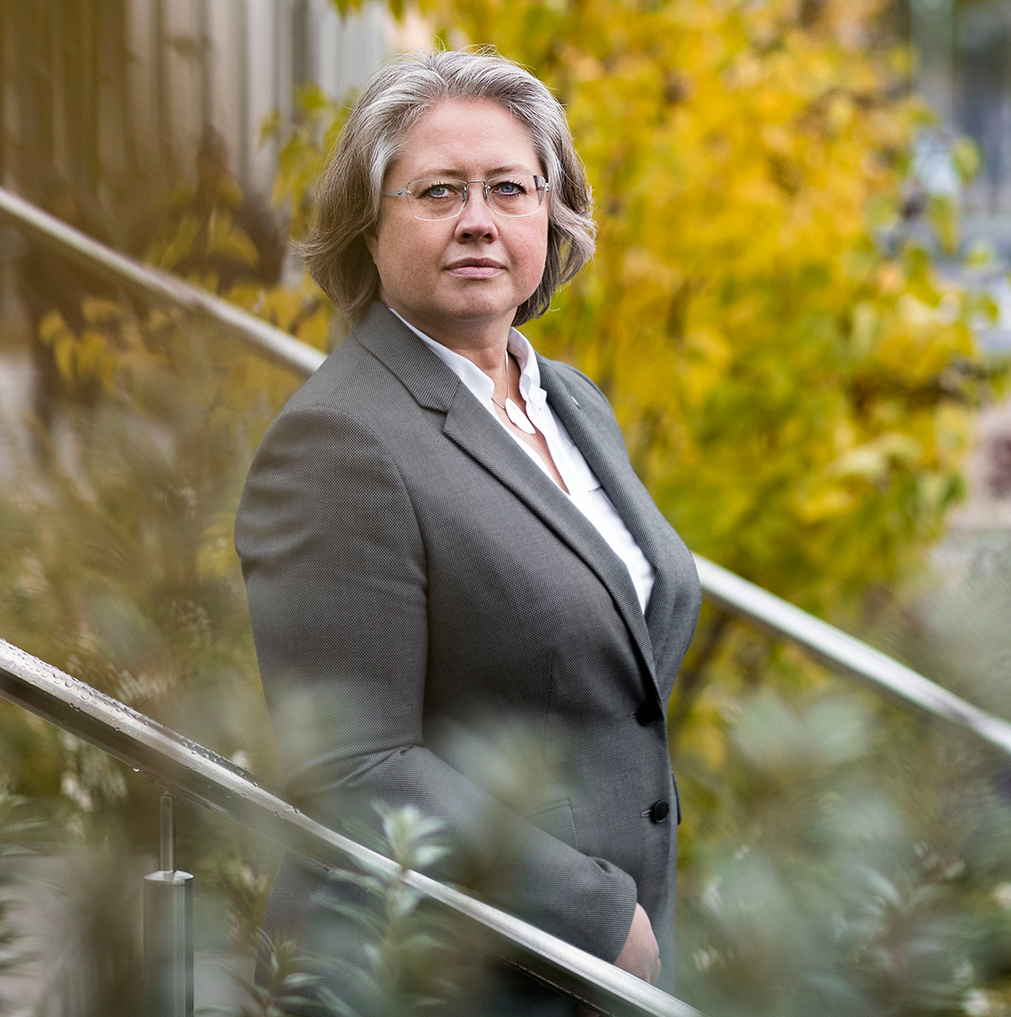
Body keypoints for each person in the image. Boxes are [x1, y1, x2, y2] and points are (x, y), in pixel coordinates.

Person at [234, 48, 702, 1015]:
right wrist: (597, 916)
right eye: (438, 191)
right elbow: (354, 767)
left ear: (550, 213)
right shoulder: (339, 441)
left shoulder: (567, 400)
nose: (478, 220)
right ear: (368, 230)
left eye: (509, 188)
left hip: (587, 966)